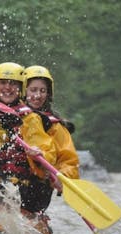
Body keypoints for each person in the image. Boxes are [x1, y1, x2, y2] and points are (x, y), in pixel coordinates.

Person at [0, 62, 57, 234]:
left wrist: (40, 153)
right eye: (2, 83)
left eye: (13, 83)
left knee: (34, 186)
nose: (7, 88)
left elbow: (46, 147)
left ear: (21, 88)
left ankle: (35, 220)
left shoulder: (31, 117)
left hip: (25, 191)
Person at [23, 65, 79, 205]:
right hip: (10, 182)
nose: (37, 95)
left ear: (48, 94)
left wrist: (63, 177)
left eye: (43, 91)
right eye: (33, 90)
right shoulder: (8, 116)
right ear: (24, 91)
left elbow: (69, 162)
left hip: (35, 189)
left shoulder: (56, 126)